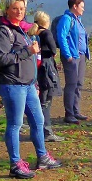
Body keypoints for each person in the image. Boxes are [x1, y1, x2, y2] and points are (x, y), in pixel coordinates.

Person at [0, 0, 62, 179]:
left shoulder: (21, 28)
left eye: (22, 8)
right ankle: (15, 164)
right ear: (7, 9)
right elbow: (0, 58)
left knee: (38, 120)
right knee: (15, 124)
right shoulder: (2, 31)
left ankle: (42, 156)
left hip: (28, 84)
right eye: (15, 8)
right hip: (12, 84)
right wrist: (27, 51)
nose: (19, 11)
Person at [29, 11, 64, 142]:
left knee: (39, 101)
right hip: (47, 68)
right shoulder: (46, 33)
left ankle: (37, 129)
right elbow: (54, 50)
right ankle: (46, 131)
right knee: (46, 101)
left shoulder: (33, 33)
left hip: (36, 68)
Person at [57, 0, 89, 124]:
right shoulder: (67, 19)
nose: (83, 9)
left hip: (80, 56)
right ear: (74, 6)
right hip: (72, 56)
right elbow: (61, 36)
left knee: (79, 83)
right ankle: (69, 114)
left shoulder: (78, 20)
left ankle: (76, 111)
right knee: (71, 84)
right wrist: (67, 54)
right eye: (82, 7)